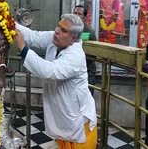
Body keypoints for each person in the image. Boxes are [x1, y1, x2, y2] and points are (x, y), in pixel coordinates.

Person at [15, 14, 97, 148]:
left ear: (73, 38)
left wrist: (23, 49)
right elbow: (34, 36)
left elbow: (49, 71)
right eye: (58, 26)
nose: (57, 31)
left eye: (64, 30)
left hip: (78, 121)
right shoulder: (56, 39)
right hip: (63, 115)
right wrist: (9, 22)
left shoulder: (76, 55)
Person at [73, 5, 97, 96]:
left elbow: (95, 50)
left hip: (87, 70)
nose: (76, 16)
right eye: (75, 13)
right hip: (73, 69)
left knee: (87, 96)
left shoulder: (89, 31)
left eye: (79, 14)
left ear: (84, 17)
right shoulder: (69, 29)